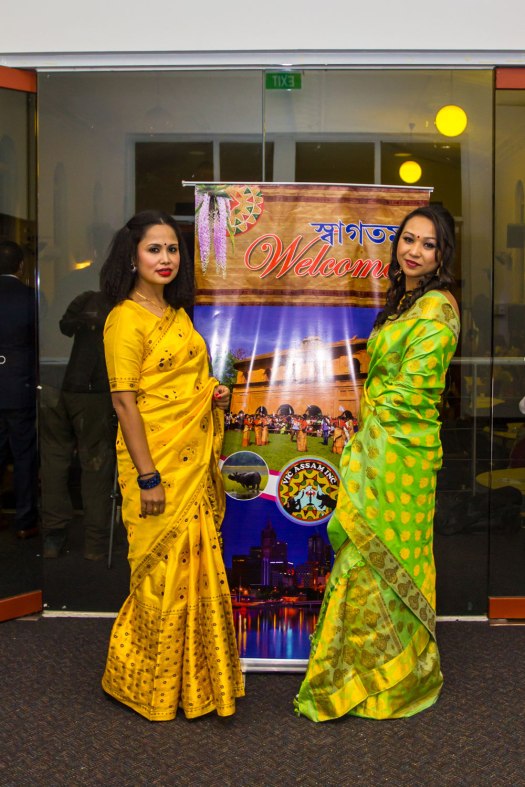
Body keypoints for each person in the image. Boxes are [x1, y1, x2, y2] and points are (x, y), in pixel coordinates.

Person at [295, 204, 460, 721]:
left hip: (401, 455)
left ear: (442, 254)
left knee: (392, 560)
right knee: (364, 560)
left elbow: (414, 394)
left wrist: (367, 435)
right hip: (379, 445)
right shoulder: (405, 303)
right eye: (408, 239)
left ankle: (396, 678)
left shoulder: (437, 310)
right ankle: (356, 672)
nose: (414, 250)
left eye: (428, 244)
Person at [99, 210, 244, 721]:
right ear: (132, 256)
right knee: (161, 574)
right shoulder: (125, 319)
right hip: (155, 465)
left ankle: (195, 682)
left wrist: (211, 393)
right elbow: (125, 404)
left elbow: (185, 383)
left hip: (191, 463)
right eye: (154, 249)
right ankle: (145, 684)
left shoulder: (176, 315)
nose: (166, 259)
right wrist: (148, 477)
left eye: (173, 249)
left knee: (195, 568)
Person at [40, 290, 115, 559]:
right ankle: (95, 544)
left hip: (55, 381)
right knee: (95, 463)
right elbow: (66, 326)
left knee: (54, 460)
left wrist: (84, 321)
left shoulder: (85, 298)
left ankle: (54, 534)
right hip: (91, 388)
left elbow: (64, 326)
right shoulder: (121, 303)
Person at [0, 241, 38, 539]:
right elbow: (38, 340)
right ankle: (24, 521)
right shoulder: (29, 297)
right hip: (19, 384)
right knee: (23, 455)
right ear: (21, 266)